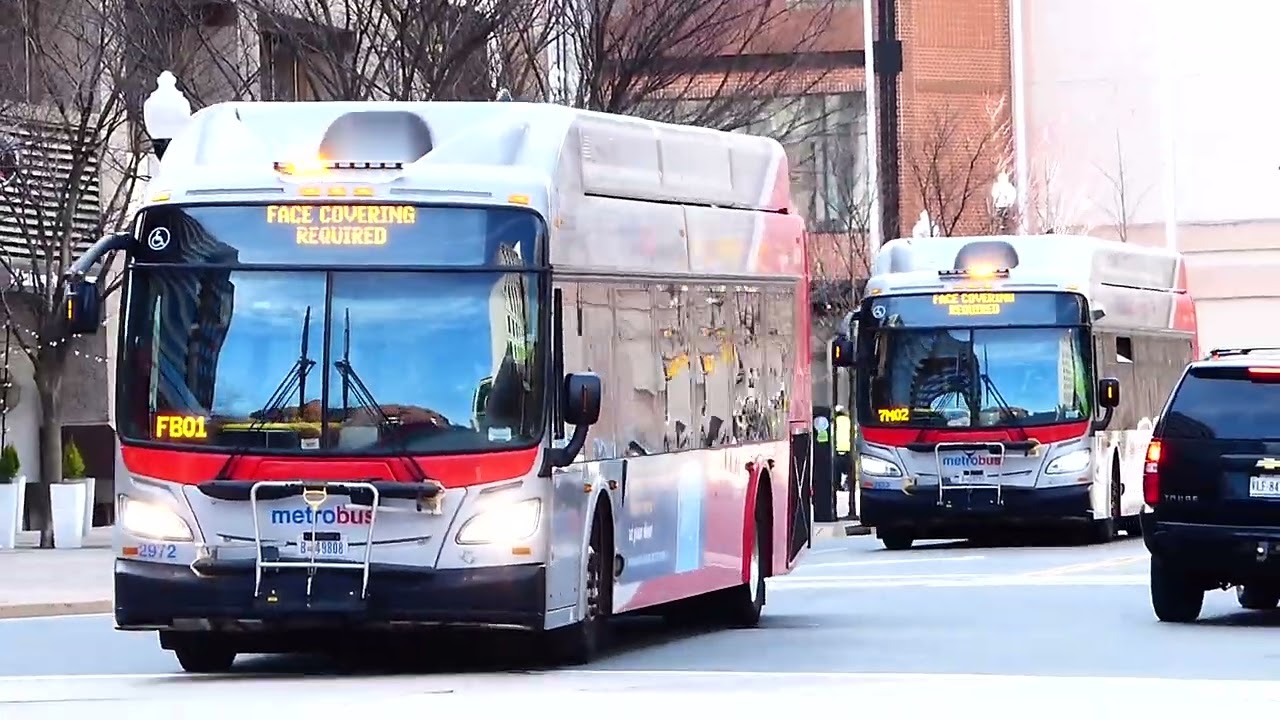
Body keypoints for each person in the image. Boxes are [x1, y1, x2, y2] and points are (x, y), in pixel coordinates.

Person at [834, 405, 852, 491]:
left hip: (837, 449)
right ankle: (848, 485)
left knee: (837, 471)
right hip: (848, 448)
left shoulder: (835, 421)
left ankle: (837, 486)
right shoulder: (848, 420)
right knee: (849, 469)